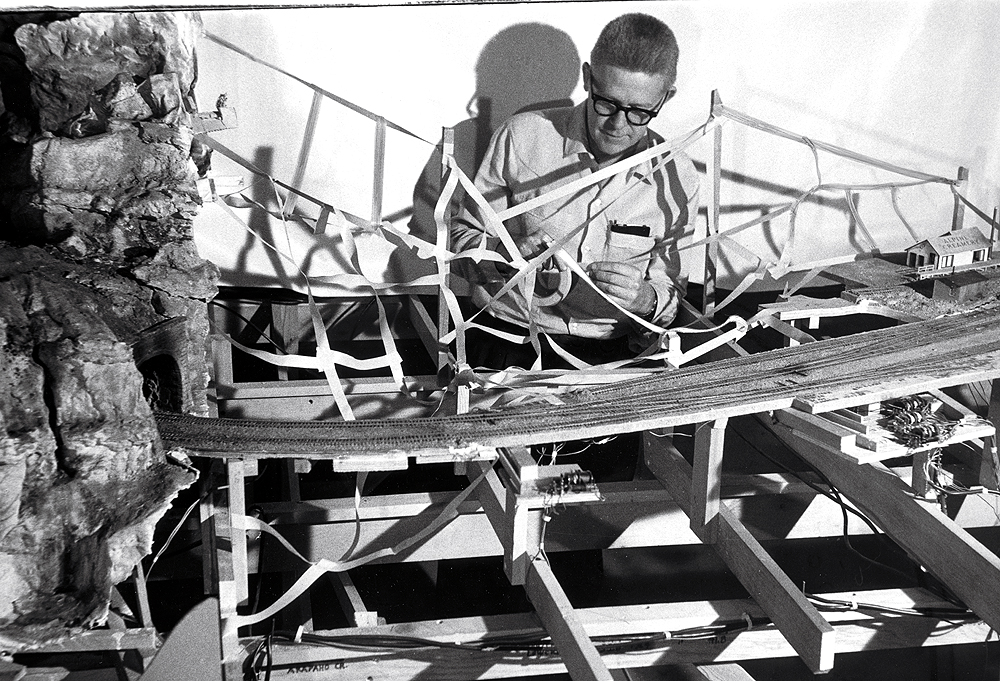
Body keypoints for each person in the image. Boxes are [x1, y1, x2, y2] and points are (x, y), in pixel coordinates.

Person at [450, 12, 700, 372]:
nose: (618, 124)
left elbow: (670, 293)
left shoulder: (677, 176)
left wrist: (645, 299)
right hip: (508, 340)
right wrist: (502, 256)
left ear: (665, 99)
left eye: (640, 112)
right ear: (587, 78)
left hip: (611, 356)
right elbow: (458, 240)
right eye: (607, 103)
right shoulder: (522, 136)